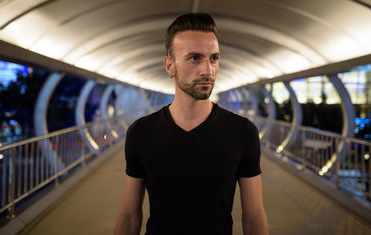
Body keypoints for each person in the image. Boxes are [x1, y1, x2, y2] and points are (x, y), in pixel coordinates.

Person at [114, 13, 268, 235]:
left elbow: (254, 218)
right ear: (170, 66)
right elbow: (129, 215)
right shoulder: (142, 132)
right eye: (195, 58)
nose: (208, 70)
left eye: (214, 58)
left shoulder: (242, 132)